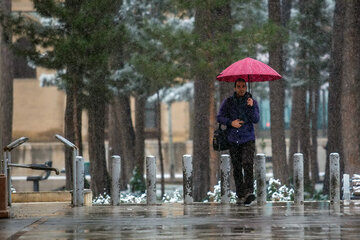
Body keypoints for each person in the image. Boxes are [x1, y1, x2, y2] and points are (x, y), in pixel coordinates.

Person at [216, 78, 260, 205]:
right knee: (237, 168)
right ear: (235, 88)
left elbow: (256, 119)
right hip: (233, 139)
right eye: (239, 86)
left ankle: (249, 192)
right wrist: (231, 123)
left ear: (246, 88)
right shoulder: (228, 102)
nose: (241, 89)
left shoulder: (252, 102)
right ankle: (241, 195)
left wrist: (251, 107)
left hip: (248, 138)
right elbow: (220, 117)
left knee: (247, 164)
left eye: (244, 86)